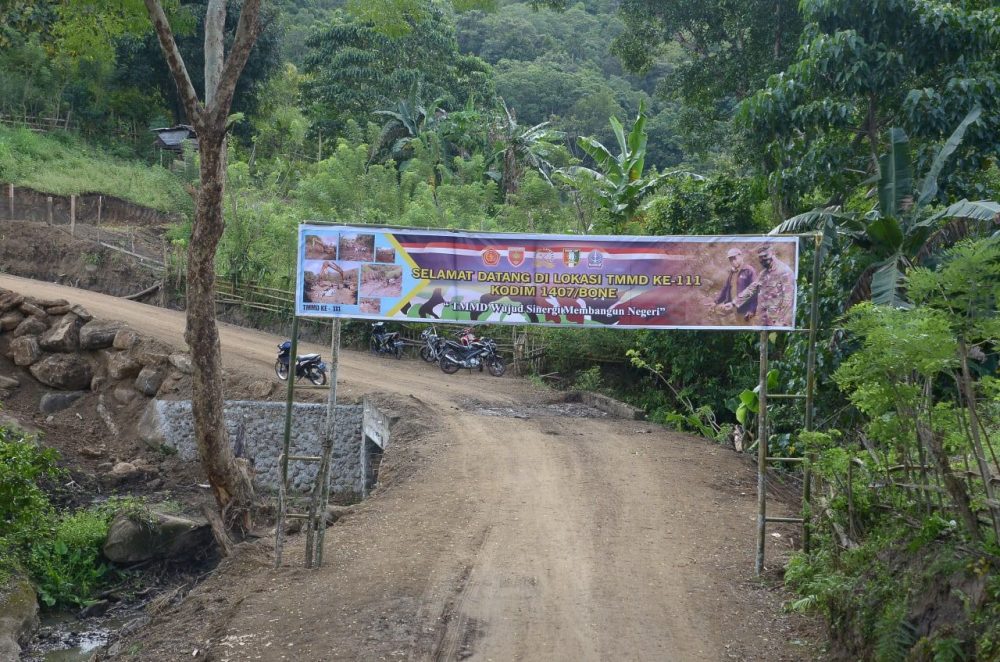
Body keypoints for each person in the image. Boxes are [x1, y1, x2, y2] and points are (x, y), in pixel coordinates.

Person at [725, 245, 795, 326]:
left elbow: (788, 299)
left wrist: (782, 321)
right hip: (764, 321)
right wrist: (734, 303)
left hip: (779, 323)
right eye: (760, 257)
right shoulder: (763, 274)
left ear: (773, 253)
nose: (763, 259)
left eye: (765, 256)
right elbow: (751, 289)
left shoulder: (784, 272)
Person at [715, 247, 757, 321]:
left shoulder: (749, 270)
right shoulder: (732, 272)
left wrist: (752, 310)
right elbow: (726, 288)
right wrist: (715, 302)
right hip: (733, 309)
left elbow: (754, 292)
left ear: (741, 256)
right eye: (730, 259)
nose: (733, 261)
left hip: (745, 311)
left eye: (734, 258)